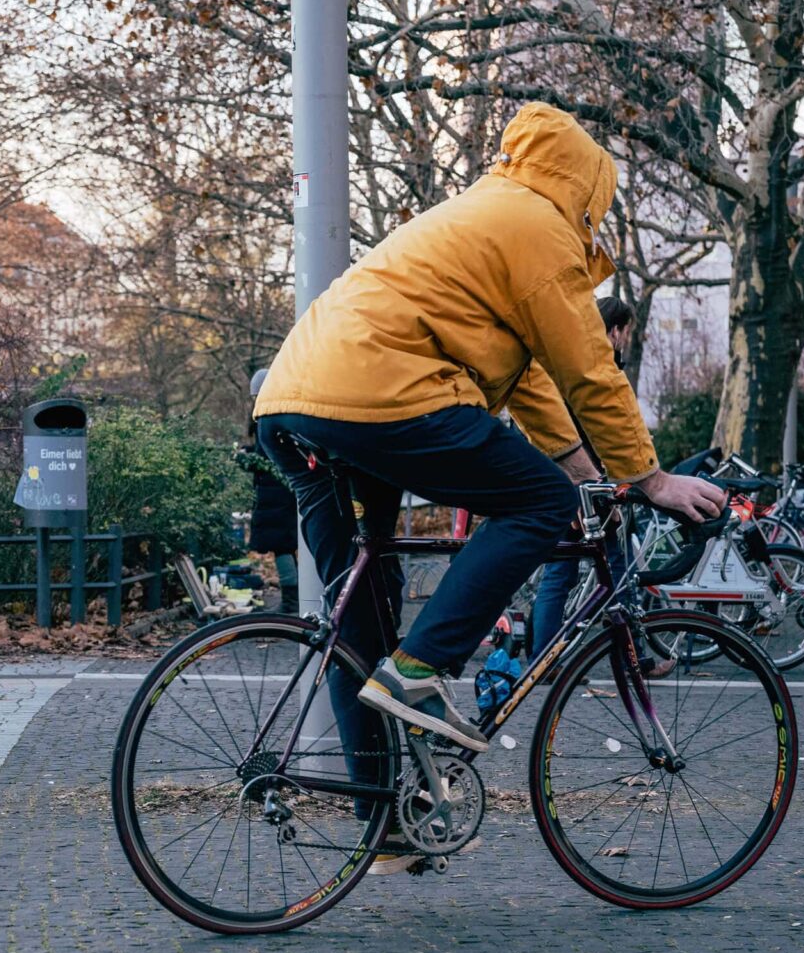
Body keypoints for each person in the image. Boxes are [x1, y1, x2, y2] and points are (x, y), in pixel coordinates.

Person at [254, 102, 725, 868]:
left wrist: (585, 469)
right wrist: (648, 477)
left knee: (359, 627)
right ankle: (422, 672)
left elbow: (533, 378)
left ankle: (384, 822)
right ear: (585, 189)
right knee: (537, 504)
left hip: (293, 405)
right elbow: (589, 370)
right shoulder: (539, 227)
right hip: (384, 395)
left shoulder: (483, 213)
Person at [526, 296, 671, 676]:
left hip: (563, 482)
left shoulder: (567, 358)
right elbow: (601, 429)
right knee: (617, 570)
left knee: (562, 572)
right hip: (585, 487)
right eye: (625, 333)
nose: (624, 342)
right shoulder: (593, 366)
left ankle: (544, 661)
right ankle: (633, 661)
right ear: (616, 330)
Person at [246, 368, 301, 610]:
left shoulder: (266, 419)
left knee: (281, 545)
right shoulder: (285, 415)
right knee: (285, 544)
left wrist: (246, 460)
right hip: (282, 490)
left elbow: (266, 459)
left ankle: (291, 601)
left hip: (275, 492)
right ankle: (295, 597)